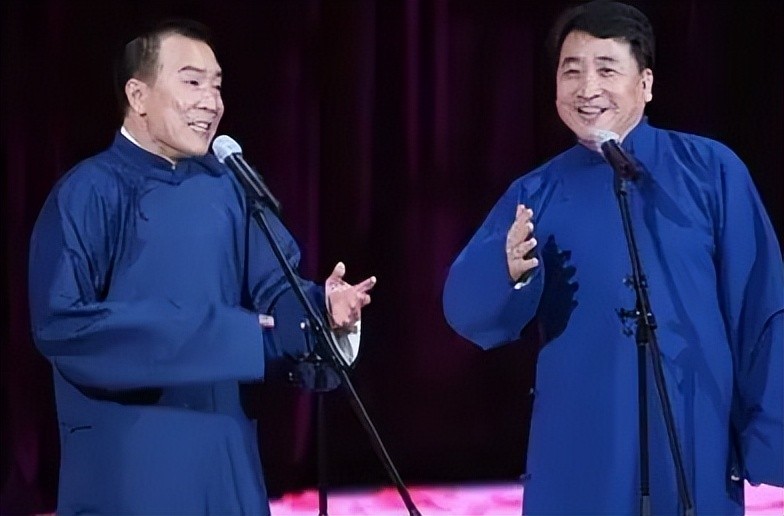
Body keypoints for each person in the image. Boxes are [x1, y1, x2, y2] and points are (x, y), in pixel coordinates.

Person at [442, 1, 783, 515]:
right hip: (580, 450)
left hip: (692, 437)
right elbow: (466, 310)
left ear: (645, 83)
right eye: (571, 71)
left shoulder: (711, 171)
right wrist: (506, 271)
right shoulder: (537, 192)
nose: (587, 88)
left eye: (606, 70)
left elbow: (761, 309)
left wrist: (768, 439)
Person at [28, 19, 375, 515]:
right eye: (192, 82)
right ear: (138, 95)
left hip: (228, 461)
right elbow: (64, 326)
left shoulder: (228, 188)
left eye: (217, 86)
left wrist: (321, 308)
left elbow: (279, 288)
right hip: (131, 467)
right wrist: (229, 335)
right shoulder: (87, 192)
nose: (211, 103)